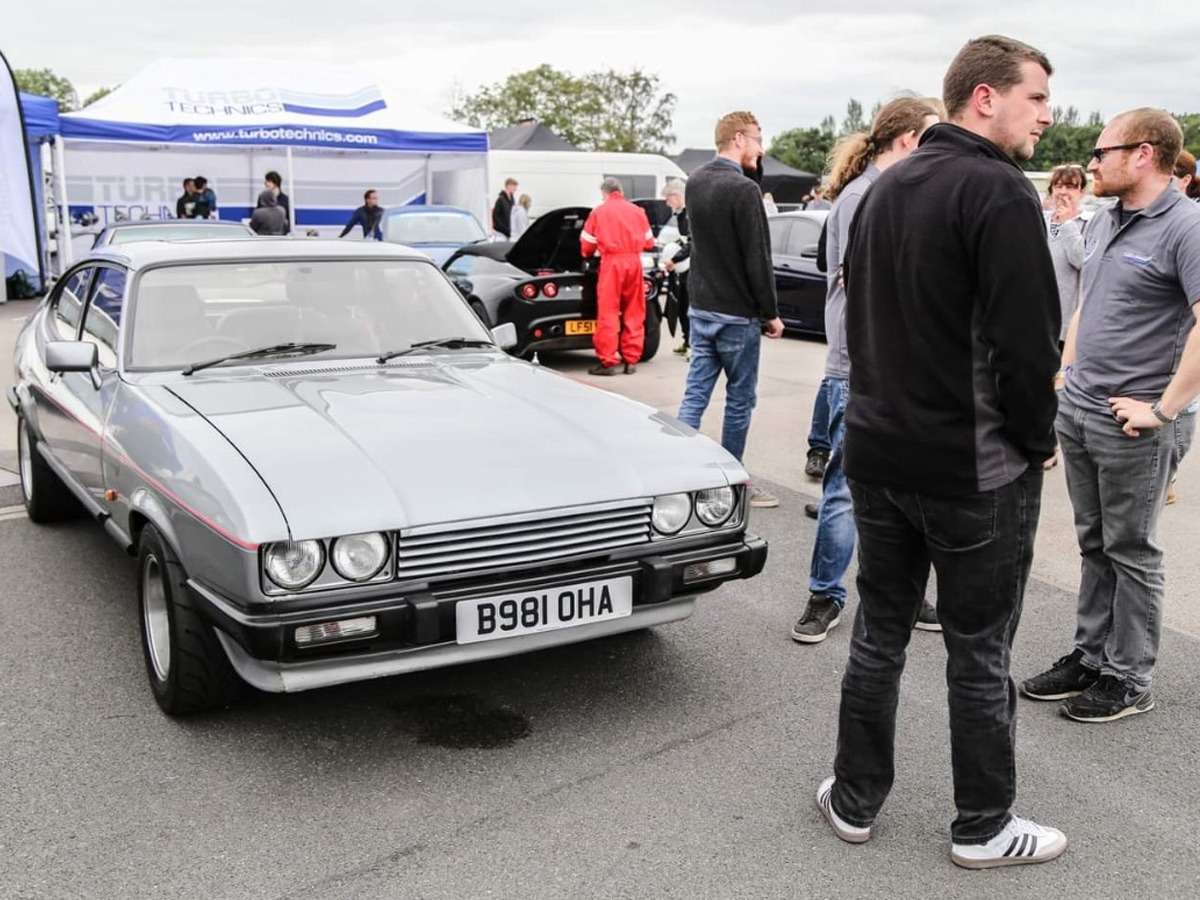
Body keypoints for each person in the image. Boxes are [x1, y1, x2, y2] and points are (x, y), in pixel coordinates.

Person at [816, 36, 1066, 868]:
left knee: (881, 633)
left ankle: (854, 799)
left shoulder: (886, 186)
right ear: (985, 97)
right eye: (1037, 100)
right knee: (978, 647)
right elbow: (1027, 345)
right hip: (970, 467)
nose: (1047, 117)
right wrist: (1037, 443)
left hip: (880, 453)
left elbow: (861, 321)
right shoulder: (995, 190)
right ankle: (985, 826)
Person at [1020, 109, 1200, 723]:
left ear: (1144, 154)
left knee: (1132, 548)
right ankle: (1090, 657)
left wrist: (1163, 409)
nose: (1091, 164)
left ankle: (1130, 677)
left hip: (1136, 422)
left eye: (1102, 153)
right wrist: (1065, 376)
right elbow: (1085, 307)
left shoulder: (1187, 226)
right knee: (1094, 543)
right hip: (1081, 407)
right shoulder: (1101, 223)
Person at [791, 96, 941, 645]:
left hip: (887, 370)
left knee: (902, 493)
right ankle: (825, 596)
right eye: (932, 139)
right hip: (861, 369)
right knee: (846, 490)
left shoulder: (879, 191)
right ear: (906, 141)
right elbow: (863, 283)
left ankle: (901, 590)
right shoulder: (867, 196)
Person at [677, 111, 784, 509]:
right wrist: (770, 311)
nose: (762, 147)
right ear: (739, 139)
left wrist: (752, 170)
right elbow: (758, 256)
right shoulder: (742, 192)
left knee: (695, 395)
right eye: (757, 138)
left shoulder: (696, 181)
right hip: (737, 315)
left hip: (702, 308)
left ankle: (677, 472)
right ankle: (733, 479)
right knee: (739, 400)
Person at [579, 178, 655, 375]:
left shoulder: (598, 212)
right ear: (620, 191)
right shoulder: (638, 211)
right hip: (634, 263)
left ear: (604, 193)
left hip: (612, 264)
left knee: (608, 312)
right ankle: (631, 360)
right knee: (634, 311)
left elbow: (586, 247)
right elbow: (649, 242)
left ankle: (609, 361)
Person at [1045, 165, 1087, 345]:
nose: (1063, 192)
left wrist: (1067, 223)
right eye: (1058, 186)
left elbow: (1081, 260)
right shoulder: (1038, 219)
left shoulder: (1088, 224)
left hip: (1067, 325)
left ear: (1082, 192)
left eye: (1070, 187)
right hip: (1037, 319)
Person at [659, 181, 692, 355]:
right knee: (681, 306)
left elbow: (693, 243)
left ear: (677, 196)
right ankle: (687, 340)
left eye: (668, 198)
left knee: (688, 307)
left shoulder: (689, 215)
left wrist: (675, 258)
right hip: (683, 267)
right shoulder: (681, 215)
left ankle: (692, 345)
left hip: (691, 268)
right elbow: (685, 239)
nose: (667, 203)